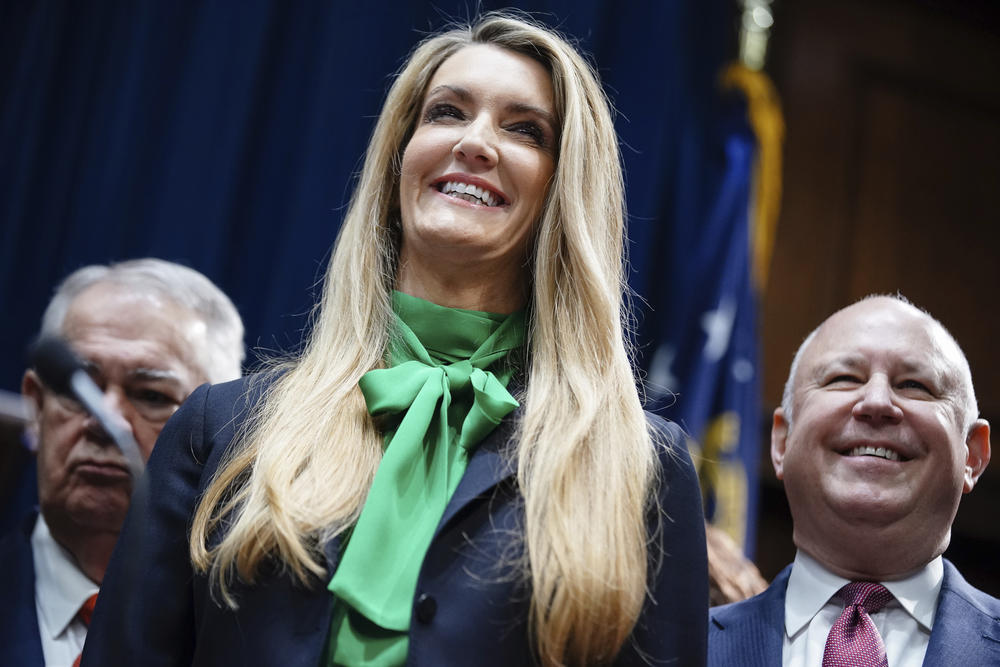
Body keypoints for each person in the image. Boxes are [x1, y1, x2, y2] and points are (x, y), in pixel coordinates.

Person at [82, 13, 708, 667]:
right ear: (397, 158)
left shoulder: (638, 466)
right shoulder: (220, 429)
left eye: (525, 128)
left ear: (564, 186)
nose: (476, 142)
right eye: (446, 112)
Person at [708, 295, 999, 666]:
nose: (876, 401)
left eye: (915, 385)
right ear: (781, 442)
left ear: (973, 455)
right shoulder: (675, 652)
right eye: (843, 379)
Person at [0, 258, 244, 667]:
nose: (104, 422)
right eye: (79, 391)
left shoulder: (245, 636)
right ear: (37, 408)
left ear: (217, 432)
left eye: (150, 395)